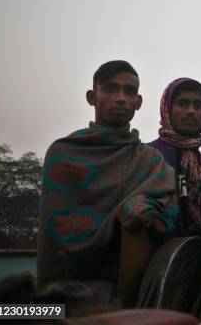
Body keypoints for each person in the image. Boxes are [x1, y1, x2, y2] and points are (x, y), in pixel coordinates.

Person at [37, 60, 178, 307]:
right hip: (64, 290)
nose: (121, 98)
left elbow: (169, 207)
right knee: (1, 311)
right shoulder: (63, 153)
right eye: (111, 89)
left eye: (129, 91)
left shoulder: (150, 160)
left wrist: (138, 210)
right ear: (92, 97)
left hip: (129, 289)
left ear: (138, 102)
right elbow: (56, 238)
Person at [149, 78, 201, 234]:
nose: (191, 111)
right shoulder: (147, 155)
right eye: (183, 103)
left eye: (198, 105)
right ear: (167, 109)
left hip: (193, 252)